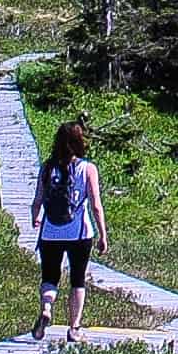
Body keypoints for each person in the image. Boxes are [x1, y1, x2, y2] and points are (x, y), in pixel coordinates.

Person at [33, 119, 106, 339]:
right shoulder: (87, 168)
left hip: (50, 231)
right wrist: (103, 234)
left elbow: (37, 200)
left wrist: (35, 218)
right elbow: (95, 205)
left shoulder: (47, 168)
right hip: (80, 232)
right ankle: (74, 328)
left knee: (50, 276)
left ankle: (47, 308)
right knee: (77, 279)